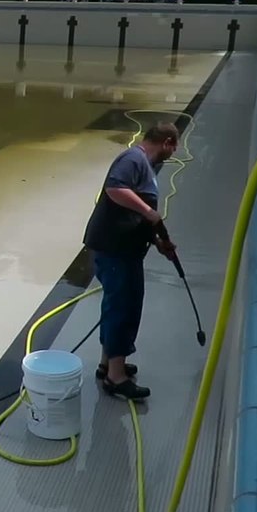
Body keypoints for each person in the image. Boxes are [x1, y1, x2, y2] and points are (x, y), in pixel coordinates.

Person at [81, 122, 180, 400]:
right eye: (173, 149)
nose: (171, 155)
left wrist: (158, 241)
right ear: (167, 142)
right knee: (123, 308)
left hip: (123, 249)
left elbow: (133, 215)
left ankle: (108, 363)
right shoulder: (133, 159)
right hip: (115, 251)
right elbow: (115, 189)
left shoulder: (143, 165)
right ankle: (116, 377)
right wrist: (149, 211)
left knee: (116, 306)